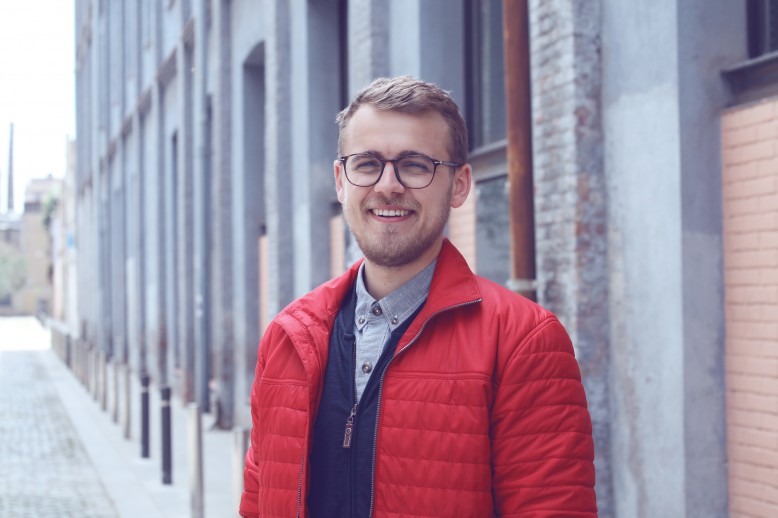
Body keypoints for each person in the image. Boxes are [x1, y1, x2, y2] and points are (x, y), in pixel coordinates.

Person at [240, 76, 597, 518]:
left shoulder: (523, 342)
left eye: (415, 165)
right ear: (341, 181)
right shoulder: (287, 338)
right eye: (367, 164)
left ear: (459, 185)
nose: (388, 185)